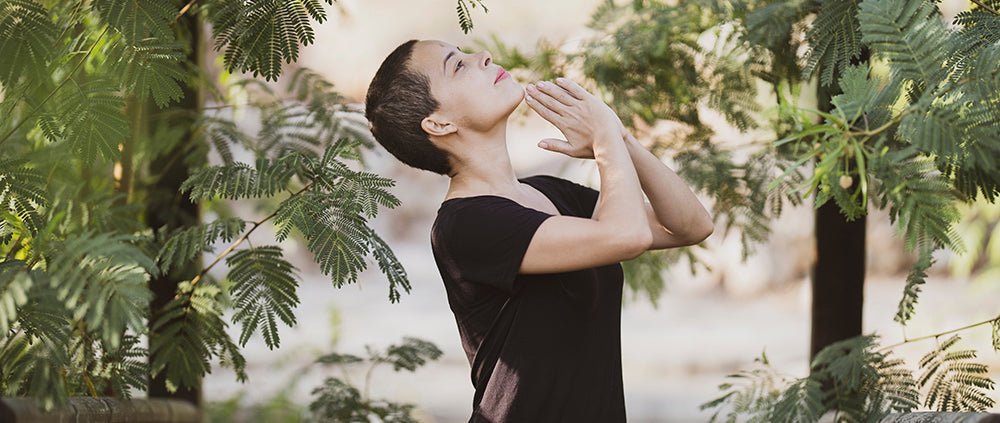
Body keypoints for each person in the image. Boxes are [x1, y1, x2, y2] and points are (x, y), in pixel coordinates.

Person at [364, 39, 714, 422]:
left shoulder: (551, 192)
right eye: (457, 66)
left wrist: (621, 139)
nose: (482, 56)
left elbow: (689, 225)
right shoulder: (464, 226)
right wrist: (604, 139)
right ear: (439, 123)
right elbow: (627, 237)